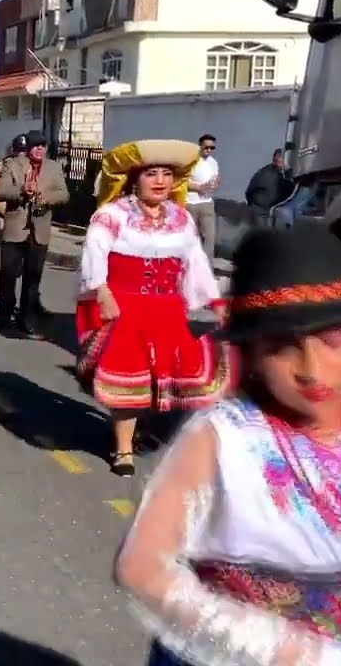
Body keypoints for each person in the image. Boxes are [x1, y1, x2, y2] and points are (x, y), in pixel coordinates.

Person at [116, 224, 341, 666]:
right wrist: (284, 649)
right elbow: (141, 567)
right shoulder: (221, 439)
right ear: (253, 355)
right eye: (282, 347)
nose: (311, 369)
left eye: (334, 339)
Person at [76, 140, 234, 477]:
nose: (160, 180)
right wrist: (101, 290)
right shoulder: (112, 215)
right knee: (129, 379)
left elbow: (195, 262)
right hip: (125, 308)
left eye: (166, 173)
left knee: (159, 376)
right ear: (136, 178)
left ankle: (139, 429)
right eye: (151, 173)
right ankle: (122, 448)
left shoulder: (181, 218)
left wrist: (216, 302)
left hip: (167, 310)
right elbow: (94, 253)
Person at [0, 131, 69, 337]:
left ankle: (26, 319)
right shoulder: (12, 165)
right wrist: (21, 191)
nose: (40, 149)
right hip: (15, 229)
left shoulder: (53, 167)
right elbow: (0, 192)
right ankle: (4, 313)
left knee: (32, 278)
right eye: (36, 145)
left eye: (43, 145)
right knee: (8, 275)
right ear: (28, 148)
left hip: (40, 230)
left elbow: (63, 193)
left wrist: (45, 197)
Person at [186, 133, 219, 258]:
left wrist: (215, 184)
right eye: (206, 147)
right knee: (191, 237)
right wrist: (198, 187)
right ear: (199, 146)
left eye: (212, 148)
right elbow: (182, 181)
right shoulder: (191, 161)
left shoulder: (213, 162)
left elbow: (215, 178)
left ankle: (207, 270)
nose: (209, 150)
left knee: (209, 238)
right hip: (190, 203)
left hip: (207, 203)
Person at [245, 148, 292, 228]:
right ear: (277, 159)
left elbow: (249, 191)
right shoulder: (276, 175)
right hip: (262, 210)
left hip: (259, 209)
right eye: (282, 158)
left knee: (262, 235)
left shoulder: (263, 171)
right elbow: (287, 193)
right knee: (264, 236)